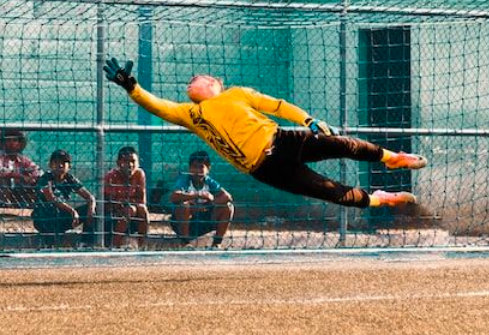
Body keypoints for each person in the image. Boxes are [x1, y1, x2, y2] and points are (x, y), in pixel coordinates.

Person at [103, 57, 424, 211]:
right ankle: (379, 199)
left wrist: (309, 120)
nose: (189, 82)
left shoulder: (237, 94)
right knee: (329, 191)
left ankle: (391, 158)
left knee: (341, 144)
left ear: (213, 83)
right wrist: (131, 86)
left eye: (195, 78)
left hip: (282, 141)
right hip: (264, 169)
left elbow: (278, 105)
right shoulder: (191, 114)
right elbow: (157, 105)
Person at [31, 149, 96, 244]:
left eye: (63, 162)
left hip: (61, 217)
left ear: (69, 166)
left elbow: (90, 197)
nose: (60, 165)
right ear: (50, 165)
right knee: (51, 240)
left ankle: (85, 243)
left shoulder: (69, 179)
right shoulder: (45, 178)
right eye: (56, 162)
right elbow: (51, 198)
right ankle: (49, 244)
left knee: (92, 210)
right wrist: (72, 211)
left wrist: (91, 210)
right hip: (44, 218)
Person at [170, 151, 233, 247]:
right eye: (194, 167)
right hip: (185, 223)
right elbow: (174, 196)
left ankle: (217, 243)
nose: (197, 171)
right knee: (184, 206)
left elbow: (227, 197)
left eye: (201, 167)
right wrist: (197, 195)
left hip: (204, 222)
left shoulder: (209, 182)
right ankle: (185, 242)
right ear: (189, 168)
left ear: (208, 169)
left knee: (228, 207)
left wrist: (209, 204)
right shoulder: (184, 180)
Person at [102, 145, 148, 247]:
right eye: (126, 161)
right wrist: (125, 204)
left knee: (142, 209)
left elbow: (142, 201)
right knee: (130, 210)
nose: (130, 165)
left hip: (131, 214)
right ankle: (114, 245)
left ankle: (142, 246)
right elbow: (109, 203)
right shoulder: (111, 176)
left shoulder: (139, 174)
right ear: (118, 163)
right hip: (111, 216)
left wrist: (127, 203)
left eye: (133, 161)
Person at [0, 128, 41, 207]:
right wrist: (21, 176)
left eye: (14, 140)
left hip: (17, 194)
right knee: (4, 179)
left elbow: (37, 170)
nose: (11, 143)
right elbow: (1, 171)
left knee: (34, 182)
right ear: (3, 143)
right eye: (8, 140)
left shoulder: (23, 160)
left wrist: (31, 178)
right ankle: (5, 205)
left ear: (19, 143)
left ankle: (28, 205)